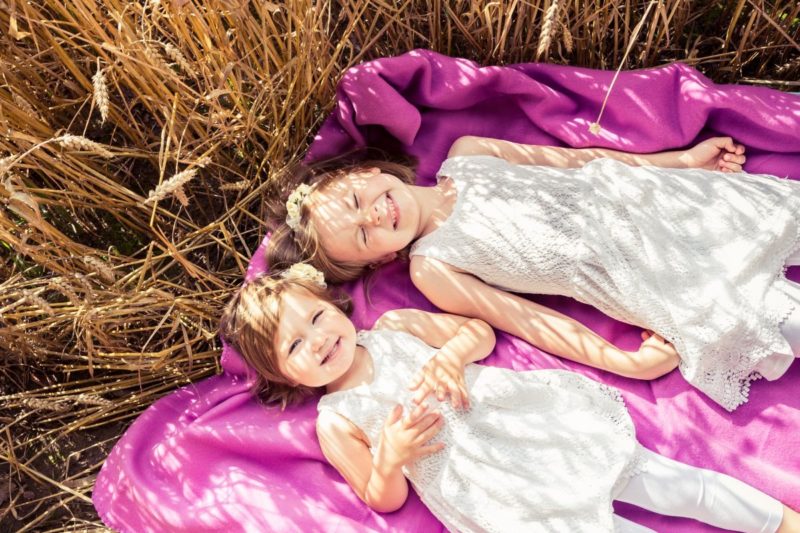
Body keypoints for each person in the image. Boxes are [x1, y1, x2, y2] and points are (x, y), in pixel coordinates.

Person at [218, 264, 798, 533]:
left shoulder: (393, 326)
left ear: (334, 306)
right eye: (296, 344)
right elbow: (381, 497)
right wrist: (391, 456)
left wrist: (450, 354)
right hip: (492, 488)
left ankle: (778, 523)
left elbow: (480, 333)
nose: (319, 339)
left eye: (317, 317)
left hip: (529, 429)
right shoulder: (335, 417)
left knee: (663, 480)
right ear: (286, 377)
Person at [266, 136, 800, 410]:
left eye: (360, 199)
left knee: (776, 224)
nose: (375, 214)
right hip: (642, 273)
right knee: (778, 318)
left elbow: (579, 161)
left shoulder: (468, 154)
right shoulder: (433, 267)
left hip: (661, 203)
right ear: (380, 260)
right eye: (363, 234)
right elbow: (524, 318)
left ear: (370, 171)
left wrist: (680, 162)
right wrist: (619, 361)